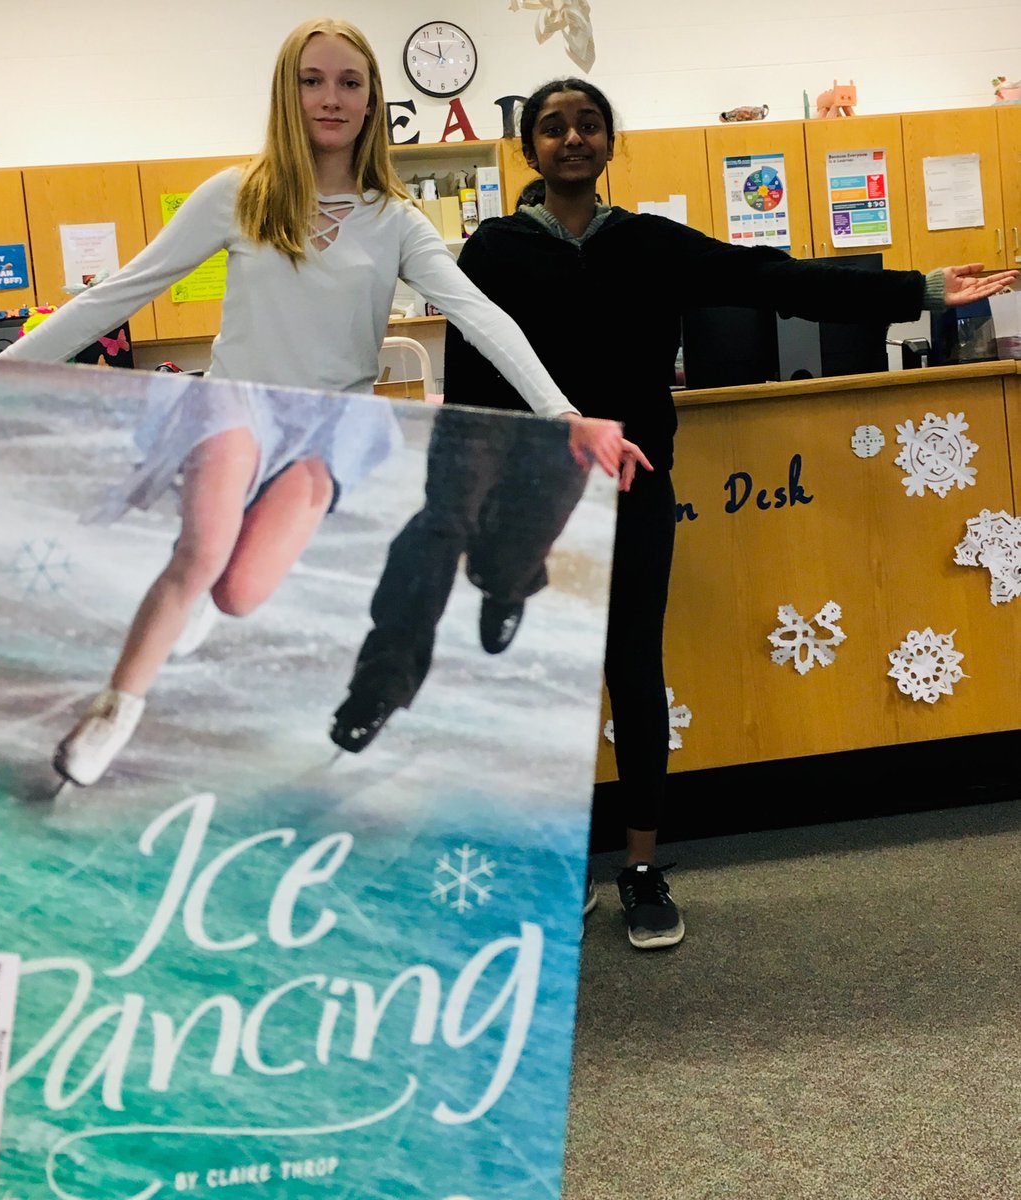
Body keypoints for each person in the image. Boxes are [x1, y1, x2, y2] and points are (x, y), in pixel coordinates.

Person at [330, 76, 1017, 948]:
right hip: (528, 499)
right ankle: (557, 864)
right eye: (552, 128)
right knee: (541, 681)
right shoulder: (494, 252)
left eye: (587, 125)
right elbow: (469, 382)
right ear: (528, 149)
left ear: (609, 143)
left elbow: (770, 278)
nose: (572, 139)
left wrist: (916, 288)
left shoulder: (648, 243)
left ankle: (642, 866)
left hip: (635, 488)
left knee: (631, 666)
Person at [0, 22, 640, 788]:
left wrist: (561, 411)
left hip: (326, 437)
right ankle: (115, 710)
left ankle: (200, 595)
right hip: (236, 408)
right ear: (287, 92)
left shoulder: (396, 219)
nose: (329, 98)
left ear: (371, 101)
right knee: (200, 552)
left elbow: (479, 314)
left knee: (236, 593)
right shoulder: (238, 195)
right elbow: (121, 291)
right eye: (311, 80)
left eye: (348, 82)